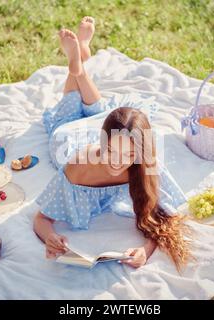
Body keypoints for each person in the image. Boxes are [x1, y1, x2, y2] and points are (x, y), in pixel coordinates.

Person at [33, 17, 190, 270]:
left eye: (128, 154)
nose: (118, 161)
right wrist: (49, 237)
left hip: (104, 126)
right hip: (69, 138)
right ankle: (78, 64)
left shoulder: (145, 163)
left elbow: (164, 216)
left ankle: (80, 61)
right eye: (111, 151)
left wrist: (146, 250)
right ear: (102, 142)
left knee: (99, 109)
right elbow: (42, 218)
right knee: (69, 109)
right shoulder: (78, 168)